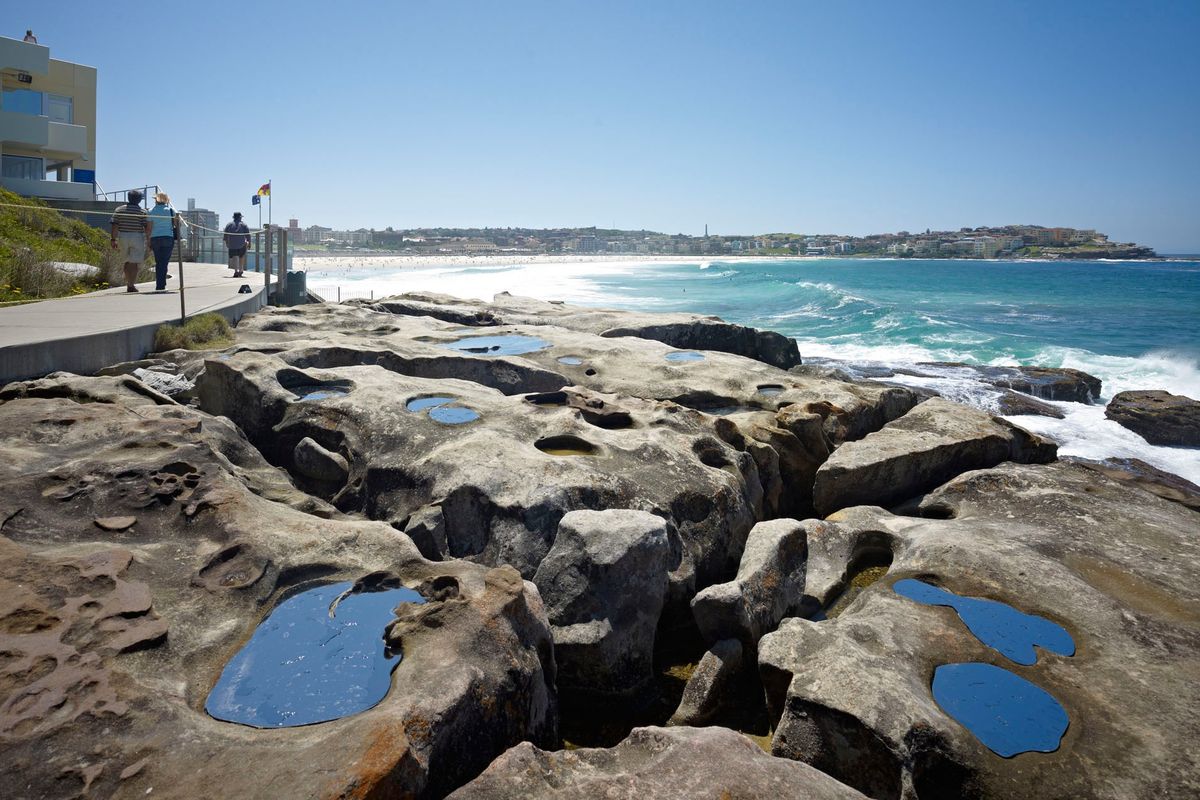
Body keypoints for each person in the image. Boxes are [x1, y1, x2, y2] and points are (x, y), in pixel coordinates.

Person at [110, 190, 151, 292]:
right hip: (137, 237)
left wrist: (113, 239)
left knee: (126, 261)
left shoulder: (119, 210)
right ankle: (131, 285)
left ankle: (129, 283)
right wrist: (149, 240)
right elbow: (146, 228)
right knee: (134, 262)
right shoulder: (142, 212)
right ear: (139, 200)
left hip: (123, 236)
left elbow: (115, 225)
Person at [147, 192, 179, 291]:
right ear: (166, 200)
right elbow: (177, 224)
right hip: (167, 238)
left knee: (158, 262)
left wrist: (148, 241)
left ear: (156, 200)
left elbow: (149, 228)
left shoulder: (151, 211)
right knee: (164, 262)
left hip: (155, 238)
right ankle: (161, 285)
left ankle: (160, 284)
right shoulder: (170, 211)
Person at [223, 212, 251, 277]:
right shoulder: (243, 224)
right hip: (241, 244)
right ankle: (241, 270)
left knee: (235, 257)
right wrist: (249, 243)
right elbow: (248, 235)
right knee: (241, 256)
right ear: (240, 217)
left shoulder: (229, 224)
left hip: (232, 245)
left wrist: (227, 243)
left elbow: (225, 235)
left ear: (233, 217)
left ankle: (236, 271)